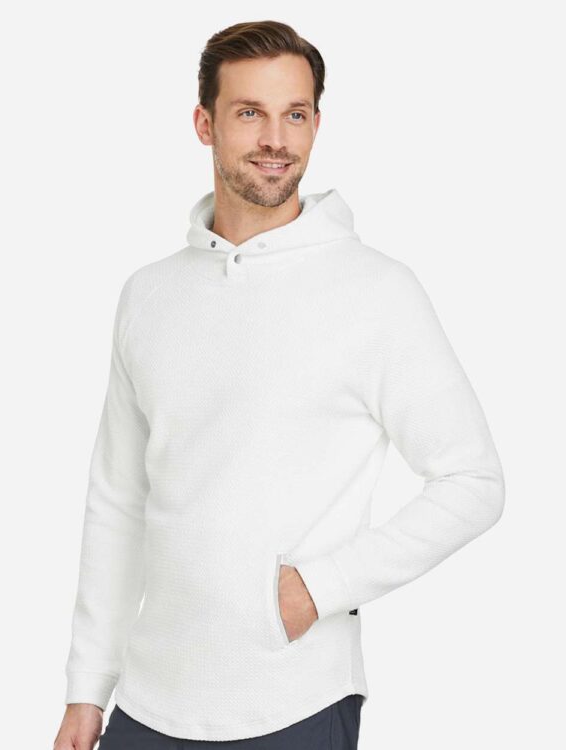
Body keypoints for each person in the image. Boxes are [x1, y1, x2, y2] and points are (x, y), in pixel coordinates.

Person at [53, 19, 505, 750]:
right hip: (147, 700)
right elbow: (118, 499)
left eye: (295, 115)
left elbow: (473, 481)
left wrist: (318, 589)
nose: (275, 139)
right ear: (205, 124)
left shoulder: (375, 292)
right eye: (249, 113)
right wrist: (86, 686)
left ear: (317, 124)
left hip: (294, 701)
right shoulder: (150, 295)